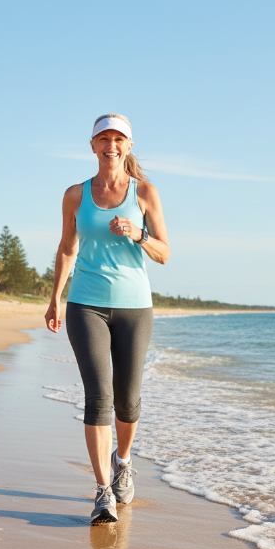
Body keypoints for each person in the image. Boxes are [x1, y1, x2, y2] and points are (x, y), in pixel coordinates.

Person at [45, 113, 170, 524]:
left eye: (119, 139)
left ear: (128, 146)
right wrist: (56, 299)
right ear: (93, 145)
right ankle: (102, 492)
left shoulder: (145, 193)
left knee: (127, 399)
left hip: (135, 307)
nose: (111, 145)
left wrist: (139, 234)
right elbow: (66, 248)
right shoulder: (75, 195)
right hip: (86, 304)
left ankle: (123, 462)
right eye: (104, 138)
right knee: (97, 397)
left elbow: (165, 253)